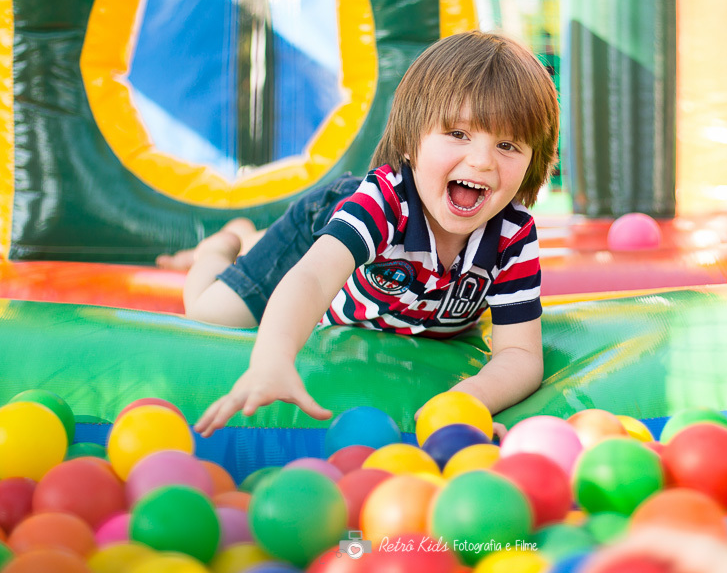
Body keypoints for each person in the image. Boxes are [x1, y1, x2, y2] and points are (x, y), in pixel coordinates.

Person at [180, 30, 560, 438]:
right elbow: (312, 277)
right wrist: (273, 358)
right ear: (411, 141)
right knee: (212, 313)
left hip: (397, 299)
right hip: (324, 223)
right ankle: (224, 243)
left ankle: (247, 237)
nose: (482, 161)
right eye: (458, 134)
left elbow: (520, 353)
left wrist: (468, 401)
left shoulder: (511, 234)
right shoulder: (385, 203)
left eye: (507, 145)